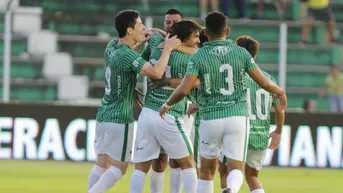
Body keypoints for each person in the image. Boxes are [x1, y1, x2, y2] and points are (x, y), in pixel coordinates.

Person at [159, 11, 287, 193]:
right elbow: (264, 82)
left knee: (206, 173)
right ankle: (231, 190)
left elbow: (184, 89)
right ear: (227, 31)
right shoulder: (241, 53)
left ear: (205, 33)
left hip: (210, 117)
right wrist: (280, 91)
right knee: (236, 168)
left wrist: (167, 104)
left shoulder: (198, 56)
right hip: (236, 117)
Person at [87, 10, 181, 193]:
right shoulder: (127, 56)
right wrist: (168, 49)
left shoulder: (112, 46)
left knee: (101, 163)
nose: (144, 28)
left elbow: (122, 65)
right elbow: (156, 73)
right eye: (140, 25)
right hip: (119, 117)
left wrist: (141, 43)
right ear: (130, 30)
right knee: (120, 167)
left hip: (104, 113)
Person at [130, 20, 202, 193]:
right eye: (195, 36)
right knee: (189, 165)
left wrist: (162, 36)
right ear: (183, 39)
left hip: (147, 113)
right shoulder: (191, 58)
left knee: (141, 168)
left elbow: (150, 36)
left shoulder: (155, 44)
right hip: (169, 114)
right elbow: (198, 82)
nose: (198, 40)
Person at [218, 35, 285, 193]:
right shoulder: (268, 79)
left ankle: (230, 190)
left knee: (225, 171)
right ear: (255, 54)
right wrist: (278, 131)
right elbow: (280, 108)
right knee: (252, 177)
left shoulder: (234, 77)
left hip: (238, 131)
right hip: (260, 134)